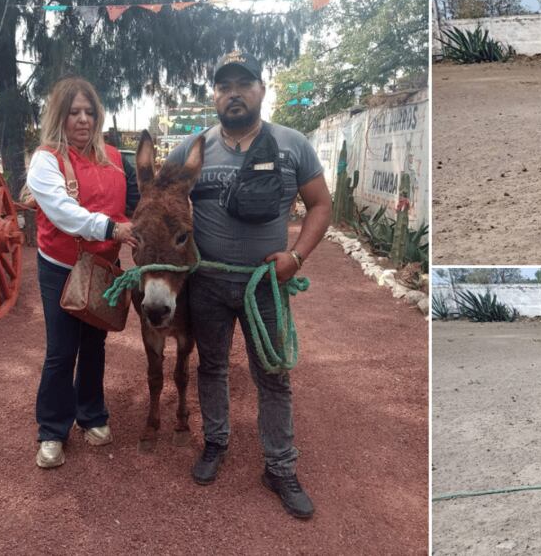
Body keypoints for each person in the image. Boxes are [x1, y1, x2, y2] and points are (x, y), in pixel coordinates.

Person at [166, 51, 332, 518]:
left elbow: (321, 205)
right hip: (209, 283)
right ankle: (216, 443)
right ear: (214, 96)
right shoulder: (193, 149)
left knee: (274, 377)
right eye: (223, 86)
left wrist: (296, 256)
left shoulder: (291, 144)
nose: (232, 93)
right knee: (212, 368)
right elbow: (157, 197)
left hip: (266, 286)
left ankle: (280, 466)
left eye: (243, 84)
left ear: (262, 89)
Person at [25, 76, 138, 469]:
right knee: (61, 350)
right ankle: (52, 429)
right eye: (74, 112)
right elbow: (63, 213)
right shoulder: (45, 159)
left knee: (94, 344)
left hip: (104, 266)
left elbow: (137, 207)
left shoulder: (115, 158)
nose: (83, 120)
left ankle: (91, 414)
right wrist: (113, 229)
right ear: (60, 115)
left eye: (89, 112)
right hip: (61, 266)